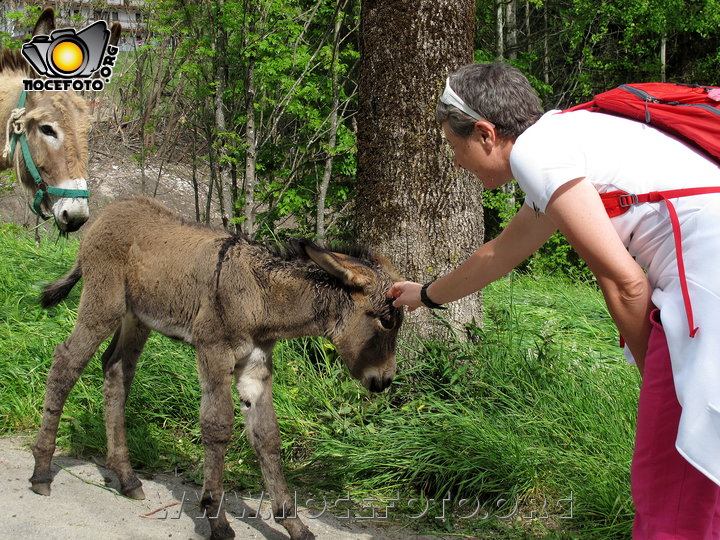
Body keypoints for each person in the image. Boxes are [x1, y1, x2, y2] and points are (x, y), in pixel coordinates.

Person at [388, 61, 720, 539]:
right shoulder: (566, 138)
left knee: (670, 492)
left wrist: (655, 378)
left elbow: (626, 284)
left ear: (485, 132)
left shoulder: (538, 155)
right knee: (703, 486)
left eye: (453, 146)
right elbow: (502, 250)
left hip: (704, 306)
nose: (456, 161)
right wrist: (426, 296)